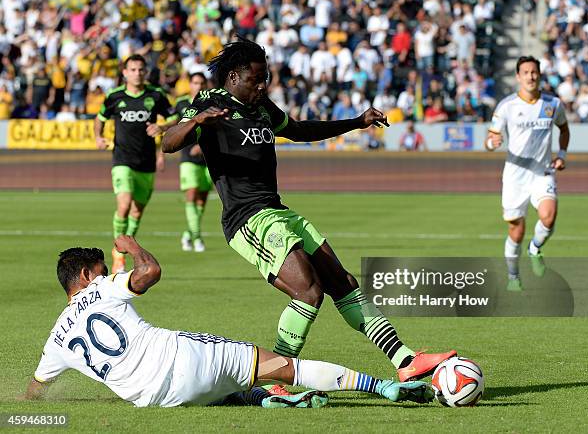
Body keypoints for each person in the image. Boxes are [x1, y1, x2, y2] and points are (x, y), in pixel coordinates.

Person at [162, 39, 456, 389]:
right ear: (233, 76)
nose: (263, 85)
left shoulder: (262, 108)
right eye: (256, 79)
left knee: (341, 283)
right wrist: (197, 121)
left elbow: (300, 130)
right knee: (309, 291)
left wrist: (357, 122)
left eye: (265, 78)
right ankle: (272, 379)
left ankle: (406, 361)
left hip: (277, 212)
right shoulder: (211, 102)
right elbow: (169, 142)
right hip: (247, 219)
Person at [22, 236, 435, 408]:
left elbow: (36, 390)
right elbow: (149, 272)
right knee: (288, 368)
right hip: (183, 358)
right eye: (101, 267)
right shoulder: (101, 288)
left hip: (159, 400)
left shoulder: (56, 339)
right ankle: (384, 387)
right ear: (85, 277)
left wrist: (26, 408)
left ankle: (267, 400)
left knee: (226, 387)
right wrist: (132, 248)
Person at [485, 56, 570, 291]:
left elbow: (564, 129)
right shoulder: (506, 106)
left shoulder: (553, 104)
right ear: (518, 77)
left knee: (549, 217)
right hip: (515, 177)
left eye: (534, 72)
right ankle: (513, 276)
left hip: (542, 173)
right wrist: (493, 143)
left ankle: (535, 248)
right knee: (516, 229)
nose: (530, 76)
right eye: (526, 72)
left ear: (540, 75)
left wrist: (562, 154)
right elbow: (490, 140)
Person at [94, 54, 179, 273]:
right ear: (124, 72)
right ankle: (118, 252)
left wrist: (162, 127)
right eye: (132, 69)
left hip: (146, 161)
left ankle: (127, 243)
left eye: (141, 69)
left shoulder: (155, 95)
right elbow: (100, 118)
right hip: (122, 159)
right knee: (124, 204)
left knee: (137, 211)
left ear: (146, 72)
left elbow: (176, 117)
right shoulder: (115, 96)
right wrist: (98, 136)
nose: (137, 73)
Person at [175, 73, 212, 252]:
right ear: (189, 84)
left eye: (201, 83)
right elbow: (173, 126)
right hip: (188, 157)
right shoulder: (181, 103)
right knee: (191, 194)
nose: (198, 86)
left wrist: (204, 147)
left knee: (202, 200)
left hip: (209, 158)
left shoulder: (212, 102)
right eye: (195, 83)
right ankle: (197, 238)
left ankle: (188, 234)